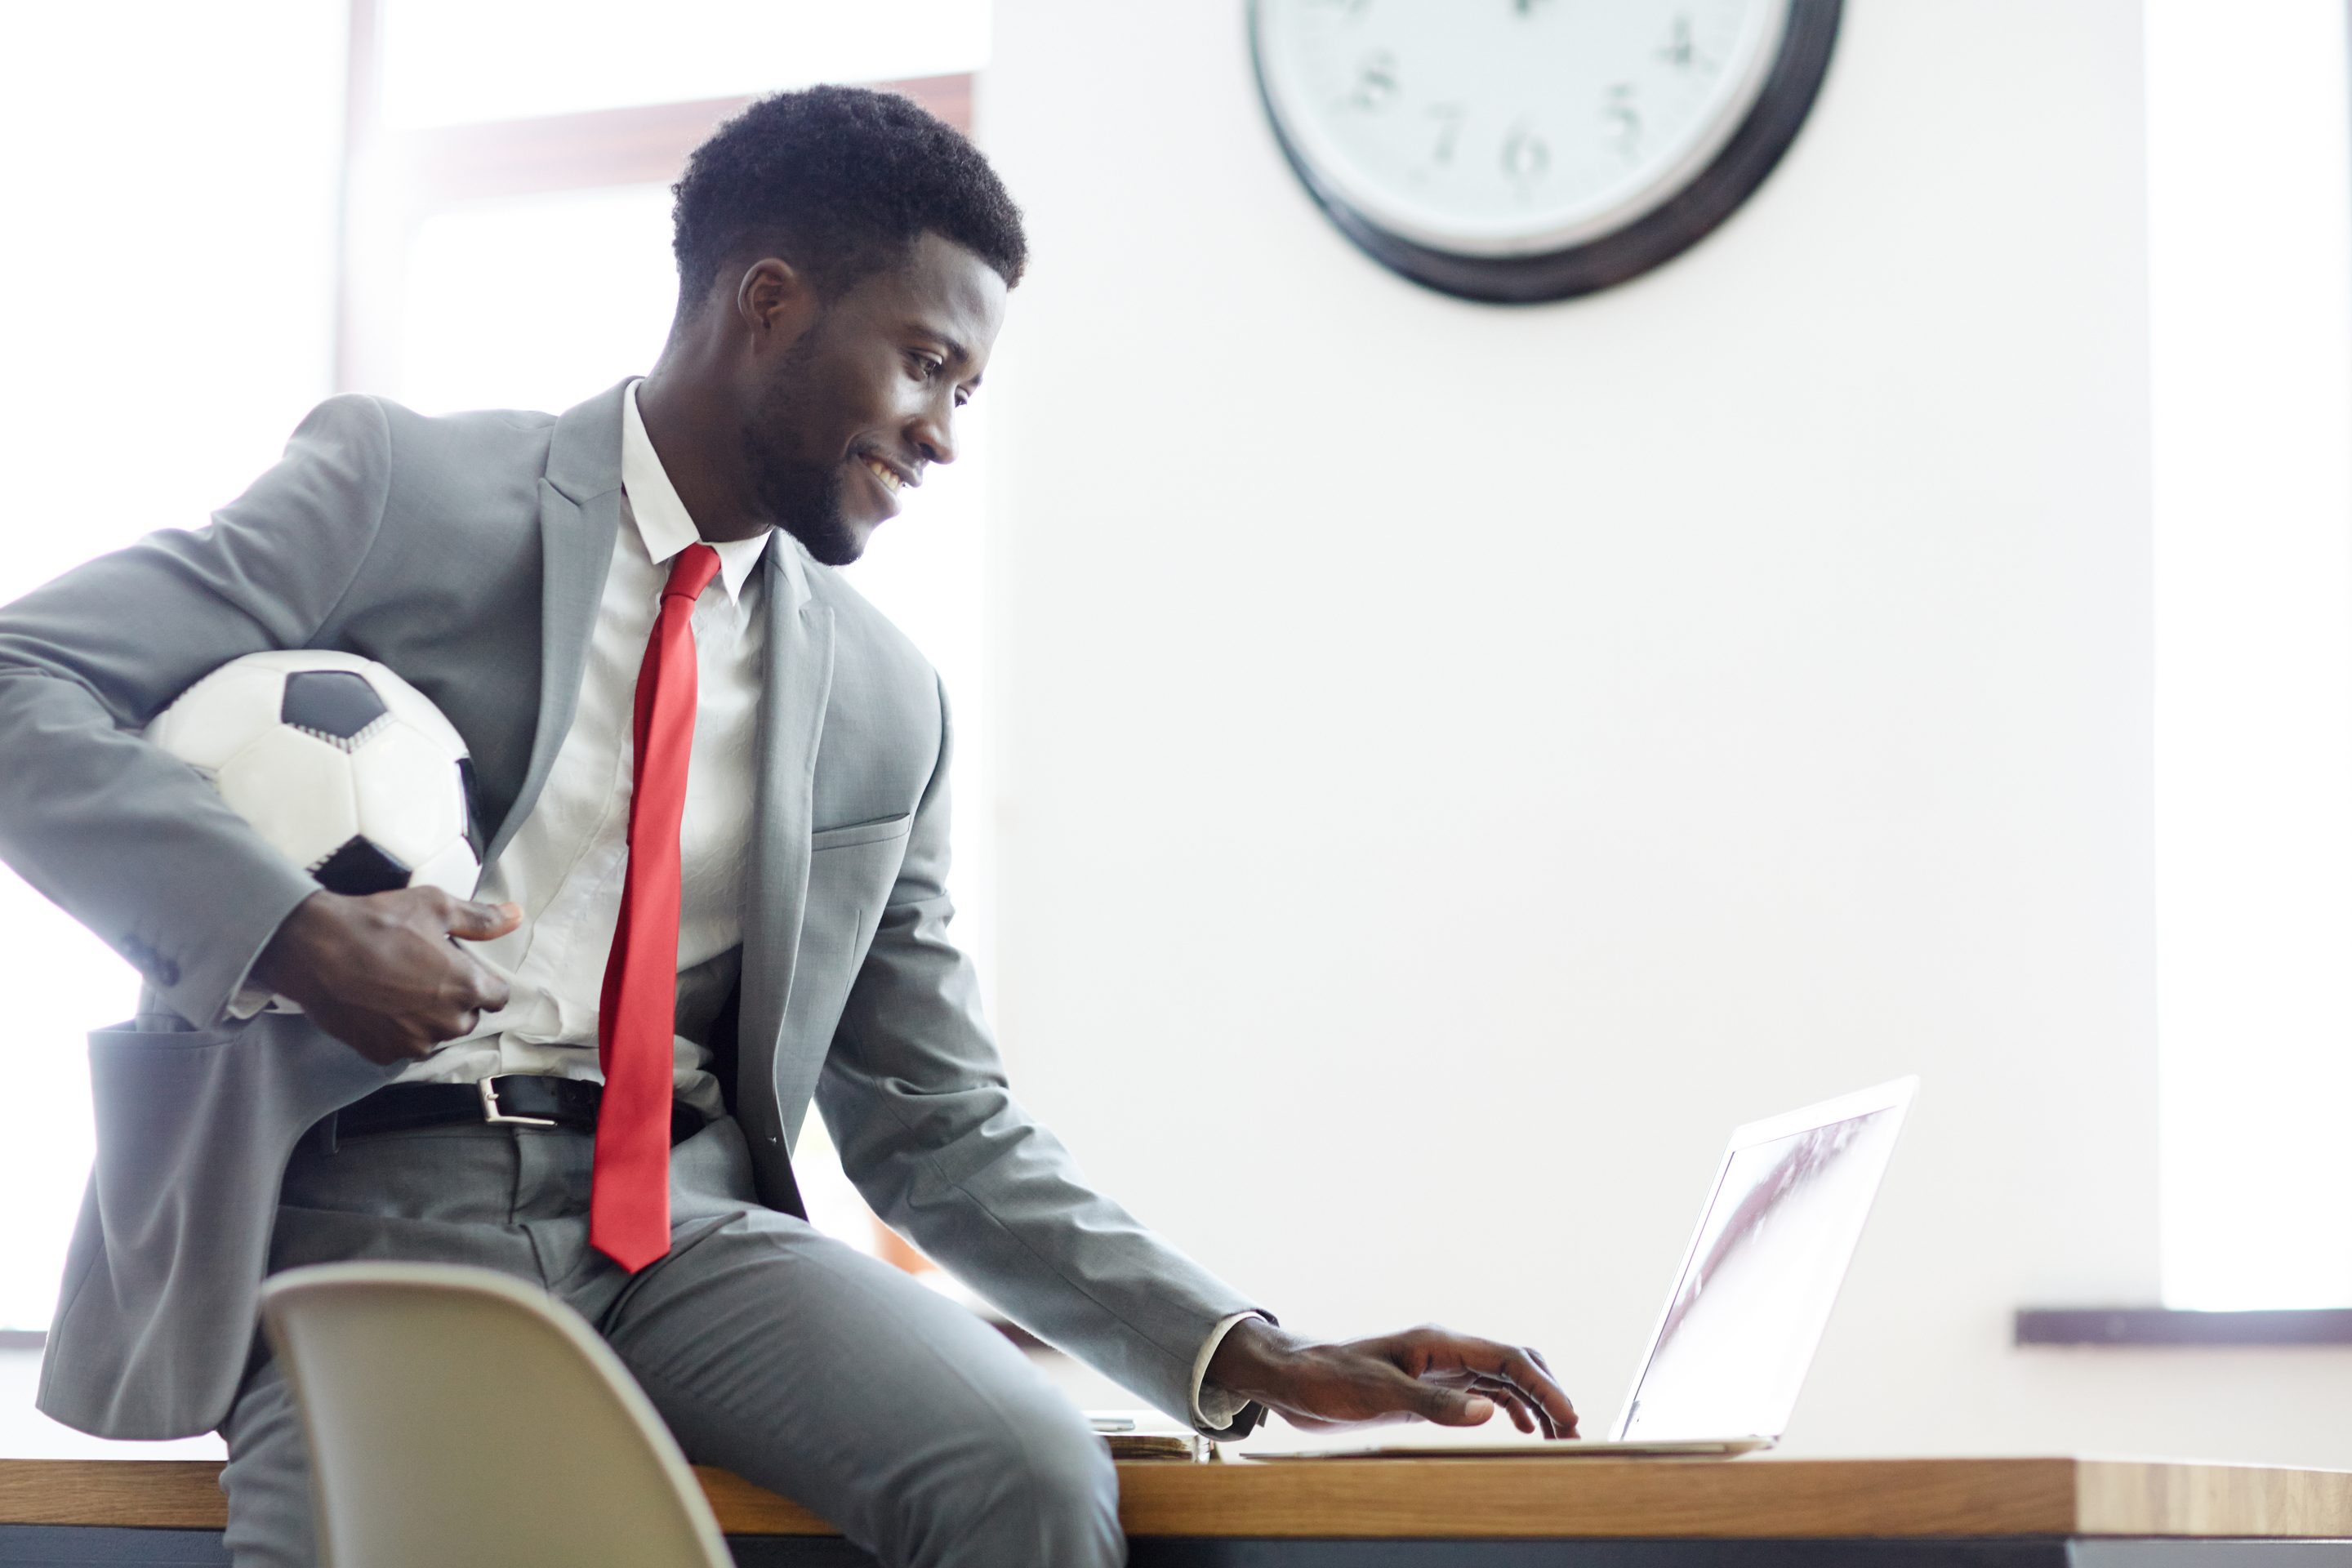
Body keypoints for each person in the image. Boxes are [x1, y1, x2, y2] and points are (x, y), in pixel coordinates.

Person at [0, 86, 1577, 1568]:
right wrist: (288, 928)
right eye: (924, 365)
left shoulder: (890, 701)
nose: (947, 431)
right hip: (365, 1201)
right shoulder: (401, 488)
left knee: (1025, 1470)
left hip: (684, 1232)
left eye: (968, 391)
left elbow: (936, 1122)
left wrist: (1249, 1351)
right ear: (771, 304)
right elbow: (25, 674)